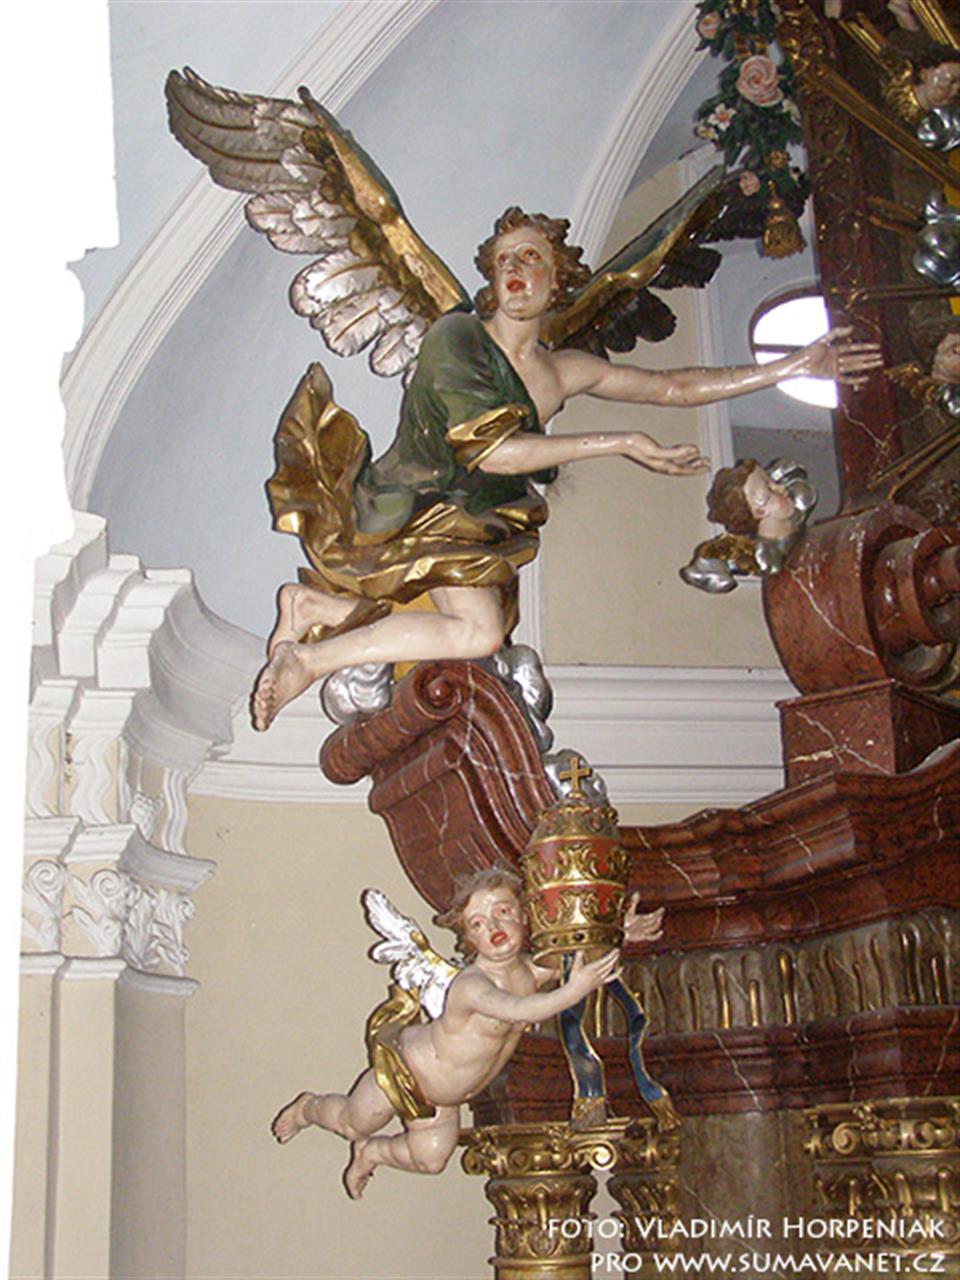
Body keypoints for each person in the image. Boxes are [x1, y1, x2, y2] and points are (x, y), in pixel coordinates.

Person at [252, 209, 882, 730]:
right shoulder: (456, 338)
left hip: (473, 520)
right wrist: (620, 441)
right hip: (416, 503)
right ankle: (309, 656)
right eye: (503, 261)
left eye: (529, 258)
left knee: (474, 634)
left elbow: (672, 387)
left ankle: (312, 608)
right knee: (476, 634)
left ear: (556, 278)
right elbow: (491, 454)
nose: (514, 270)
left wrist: (789, 367)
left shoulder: (562, 371)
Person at [270, 867, 664, 1198]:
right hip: (407, 1070)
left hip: (446, 1096)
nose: (493, 926)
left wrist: (619, 932)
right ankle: (308, 1107)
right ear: (468, 938)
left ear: (524, 918)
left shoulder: (531, 971)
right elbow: (522, 1009)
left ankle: (371, 1154)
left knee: (431, 1159)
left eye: (503, 912)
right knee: (352, 1123)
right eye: (478, 923)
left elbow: (579, 954)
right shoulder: (472, 986)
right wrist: (574, 991)